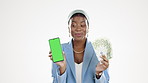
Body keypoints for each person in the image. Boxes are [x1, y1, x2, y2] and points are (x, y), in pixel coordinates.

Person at [49, 9, 109, 83]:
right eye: (73, 25)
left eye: (82, 25)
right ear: (69, 28)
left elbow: (106, 81)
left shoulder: (98, 50)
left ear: (88, 28)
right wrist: (62, 68)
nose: (78, 29)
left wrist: (99, 74)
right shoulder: (59, 49)